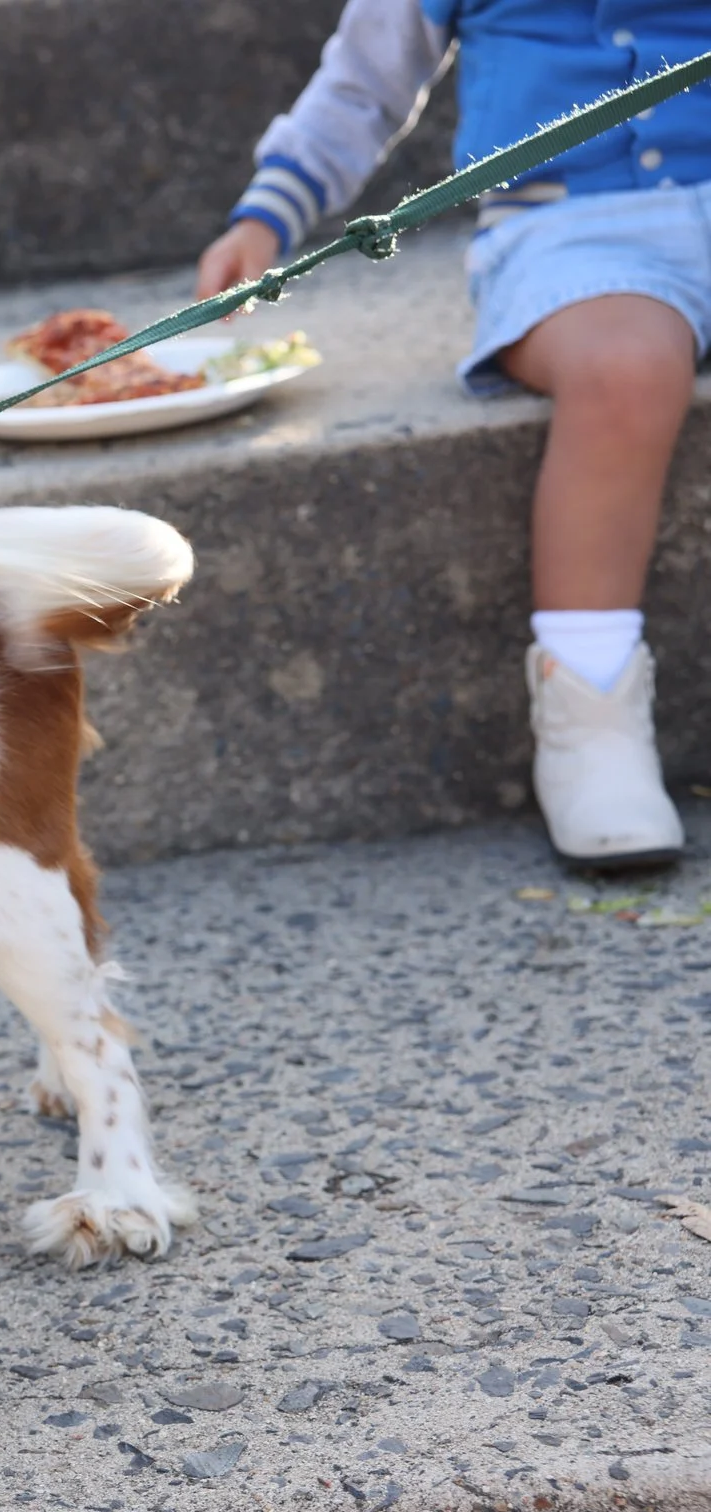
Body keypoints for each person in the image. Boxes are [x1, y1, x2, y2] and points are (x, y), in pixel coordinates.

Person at [196, 0, 710, 871]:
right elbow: (364, 83)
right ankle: (591, 708)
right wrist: (269, 214)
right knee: (626, 370)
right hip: (573, 226)